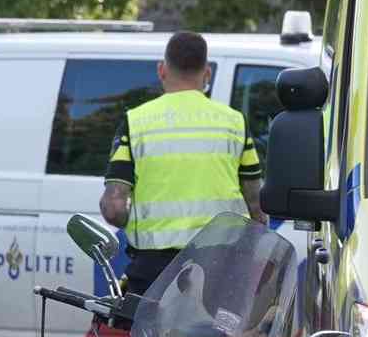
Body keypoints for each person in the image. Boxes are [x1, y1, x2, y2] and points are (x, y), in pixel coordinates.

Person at [102, 31, 266, 295]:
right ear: (207, 74)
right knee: (219, 335)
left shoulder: (136, 122)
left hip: (154, 270)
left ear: (162, 70)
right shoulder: (235, 122)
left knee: (151, 335)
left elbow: (113, 207)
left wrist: (135, 219)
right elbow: (256, 204)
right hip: (220, 264)